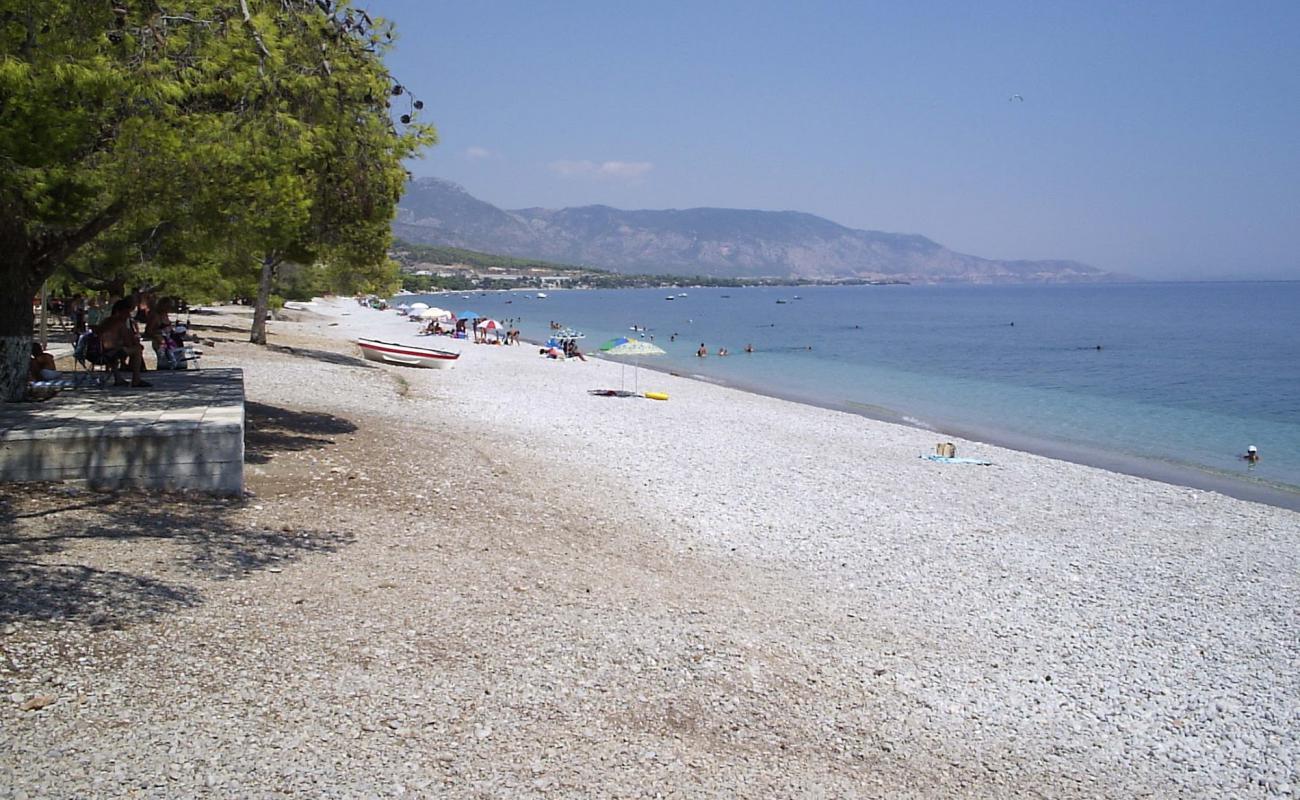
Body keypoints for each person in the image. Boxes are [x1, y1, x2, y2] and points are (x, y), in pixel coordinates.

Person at [95, 298, 150, 387]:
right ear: (119, 311)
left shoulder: (106, 321)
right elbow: (128, 342)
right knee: (137, 349)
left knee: (117, 350)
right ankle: (136, 379)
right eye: (126, 312)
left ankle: (118, 378)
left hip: (97, 352)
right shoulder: (119, 323)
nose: (128, 315)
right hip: (108, 353)